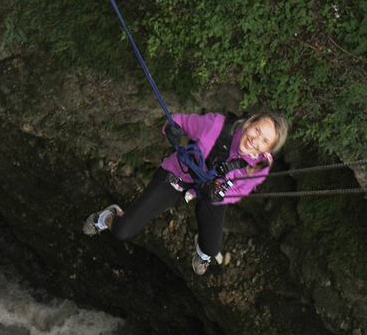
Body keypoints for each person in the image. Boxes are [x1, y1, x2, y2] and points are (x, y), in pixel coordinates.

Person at [83, 111, 289, 275]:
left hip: (212, 192)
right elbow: (178, 121)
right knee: (122, 231)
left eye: (264, 141)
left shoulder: (259, 167)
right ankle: (109, 216)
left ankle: (202, 253)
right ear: (249, 123)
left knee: (212, 248)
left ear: (267, 150)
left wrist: (220, 194)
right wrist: (171, 130)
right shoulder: (216, 125)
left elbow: (239, 191)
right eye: (257, 130)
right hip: (178, 176)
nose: (255, 140)